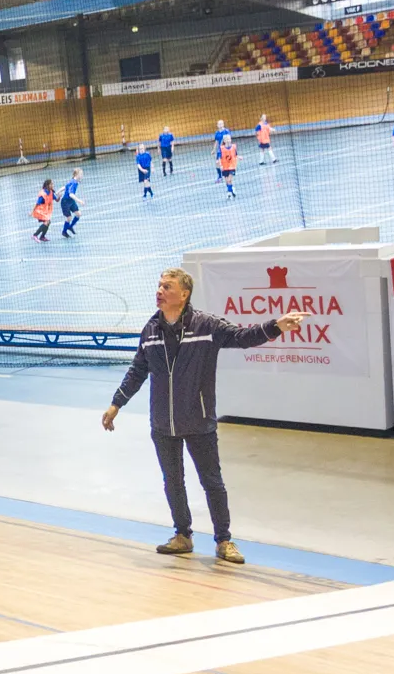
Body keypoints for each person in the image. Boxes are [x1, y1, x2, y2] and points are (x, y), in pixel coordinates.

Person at [101, 268, 305, 565]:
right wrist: (116, 403)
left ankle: (224, 540)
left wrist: (276, 326)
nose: (159, 291)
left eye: (166, 287)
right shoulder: (151, 329)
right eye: (158, 285)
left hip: (199, 421)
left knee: (212, 482)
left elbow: (242, 337)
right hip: (162, 423)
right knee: (173, 481)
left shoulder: (207, 326)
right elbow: (138, 370)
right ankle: (182, 535)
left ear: (184, 294)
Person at [58, 168, 82, 237]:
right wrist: (79, 201)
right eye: (80, 174)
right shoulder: (73, 182)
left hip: (71, 201)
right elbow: (71, 194)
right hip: (65, 202)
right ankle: (64, 232)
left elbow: (64, 187)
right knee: (69, 218)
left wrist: (58, 192)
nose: (81, 175)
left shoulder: (75, 181)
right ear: (76, 174)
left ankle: (70, 226)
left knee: (78, 214)